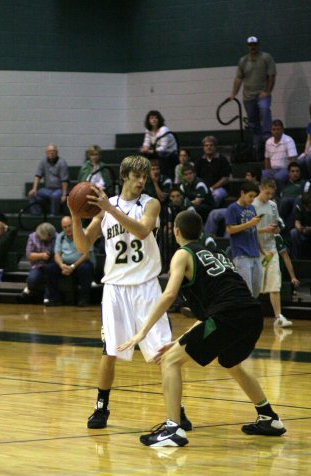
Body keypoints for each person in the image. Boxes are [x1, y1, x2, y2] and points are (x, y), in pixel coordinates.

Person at [117, 209, 286, 448]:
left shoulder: (182, 254)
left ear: (176, 231)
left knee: (170, 362)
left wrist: (142, 331)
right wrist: (179, 341)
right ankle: (269, 417)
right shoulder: (217, 253)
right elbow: (211, 314)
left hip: (228, 315)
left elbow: (170, 294)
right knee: (231, 363)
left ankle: (173, 429)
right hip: (252, 314)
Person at [69, 155, 191, 431]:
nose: (140, 182)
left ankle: (178, 411)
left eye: (144, 177)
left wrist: (109, 210)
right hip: (114, 288)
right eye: (136, 176)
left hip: (146, 287)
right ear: (124, 176)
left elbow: (142, 231)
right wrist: (75, 216)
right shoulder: (105, 208)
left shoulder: (150, 204)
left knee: (163, 352)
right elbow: (83, 246)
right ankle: (101, 407)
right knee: (109, 351)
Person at [254, 178, 299, 327]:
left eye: (271, 194)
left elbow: (278, 224)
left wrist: (277, 229)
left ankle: (278, 317)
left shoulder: (273, 205)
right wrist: (263, 230)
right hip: (256, 249)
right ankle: (248, 315)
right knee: (255, 285)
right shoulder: (252, 206)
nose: (269, 196)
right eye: (267, 193)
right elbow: (248, 229)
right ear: (261, 188)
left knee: (275, 282)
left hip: (271, 248)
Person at [230, 36, 276, 149]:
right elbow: (238, 78)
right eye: (250, 45)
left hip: (262, 94)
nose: (253, 47)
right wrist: (233, 93)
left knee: (265, 110)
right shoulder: (243, 61)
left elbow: (272, 75)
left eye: (254, 44)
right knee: (253, 121)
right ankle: (257, 143)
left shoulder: (266, 58)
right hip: (248, 96)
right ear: (247, 46)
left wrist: (268, 91)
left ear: (258, 45)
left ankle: (267, 135)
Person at [44, 215, 95, 306]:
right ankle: (54, 299)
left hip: (79, 264)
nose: (67, 229)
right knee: (50, 268)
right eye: (65, 227)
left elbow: (86, 255)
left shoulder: (84, 233)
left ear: (74, 224)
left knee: (86, 268)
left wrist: (73, 266)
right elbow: (57, 254)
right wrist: (61, 265)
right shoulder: (60, 236)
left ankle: (84, 299)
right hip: (65, 265)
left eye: (69, 226)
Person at [225, 181, 262, 297]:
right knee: (247, 290)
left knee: (256, 289)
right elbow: (229, 230)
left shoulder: (252, 208)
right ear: (242, 193)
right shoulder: (233, 208)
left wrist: (260, 248)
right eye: (250, 196)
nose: (252, 199)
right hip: (241, 254)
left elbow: (254, 230)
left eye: (254, 197)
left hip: (255, 253)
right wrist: (249, 224)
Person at [27, 144, 69, 216]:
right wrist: (34, 189)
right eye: (49, 151)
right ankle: (36, 215)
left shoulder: (62, 163)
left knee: (55, 196)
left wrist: (64, 194)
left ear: (57, 152)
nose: (51, 153)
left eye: (53, 151)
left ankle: (54, 215)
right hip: (47, 189)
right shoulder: (43, 162)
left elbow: (64, 180)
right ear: (46, 153)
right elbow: (37, 176)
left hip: (59, 189)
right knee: (33, 195)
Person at [22, 221, 57, 302]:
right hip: (37, 265)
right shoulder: (32, 237)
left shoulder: (57, 236)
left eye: (47, 240)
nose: (45, 241)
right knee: (32, 279)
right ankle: (29, 288)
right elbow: (29, 255)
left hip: (53, 265)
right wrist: (41, 255)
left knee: (50, 273)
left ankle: (47, 297)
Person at [194, 136, 232, 207]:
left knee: (215, 195)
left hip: (220, 189)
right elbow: (196, 176)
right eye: (206, 145)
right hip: (204, 188)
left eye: (211, 145)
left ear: (215, 147)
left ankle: (210, 212)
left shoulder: (222, 159)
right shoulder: (199, 160)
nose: (209, 147)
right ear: (203, 148)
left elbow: (225, 179)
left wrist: (212, 188)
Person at [139, 110, 178, 178]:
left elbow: (163, 148)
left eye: (156, 118)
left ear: (159, 119)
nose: (154, 120)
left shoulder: (164, 130)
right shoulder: (148, 130)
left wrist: (149, 151)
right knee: (140, 154)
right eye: (151, 118)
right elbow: (146, 142)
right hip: (156, 152)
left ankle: (163, 178)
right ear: (148, 120)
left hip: (169, 153)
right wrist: (144, 148)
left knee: (161, 159)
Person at [262, 120, 298, 192]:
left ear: (282, 130)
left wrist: (291, 172)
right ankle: (267, 197)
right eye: (274, 129)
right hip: (272, 170)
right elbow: (267, 159)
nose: (276, 131)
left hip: (285, 169)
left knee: (278, 177)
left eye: (278, 129)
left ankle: (280, 195)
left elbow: (293, 159)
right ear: (271, 131)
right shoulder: (268, 142)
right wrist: (267, 170)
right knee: (264, 174)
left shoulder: (288, 140)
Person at [279, 162, 310, 231]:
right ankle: (280, 225)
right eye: (292, 171)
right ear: (289, 173)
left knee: (295, 200)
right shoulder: (284, 184)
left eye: (297, 171)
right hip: (283, 204)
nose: (295, 173)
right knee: (282, 201)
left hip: (298, 204)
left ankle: (288, 228)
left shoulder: (305, 183)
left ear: (300, 173)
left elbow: (307, 197)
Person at [290, 192, 311, 259]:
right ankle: (296, 259)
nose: (308, 209)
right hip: (304, 231)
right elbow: (297, 222)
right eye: (306, 207)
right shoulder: (300, 206)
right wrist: (301, 229)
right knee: (293, 232)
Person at [297, 103, 311, 179]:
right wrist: (306, 151)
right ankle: (303, 180)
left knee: (309, 159)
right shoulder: (310, 124)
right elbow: (308, 140)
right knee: (299, 160)